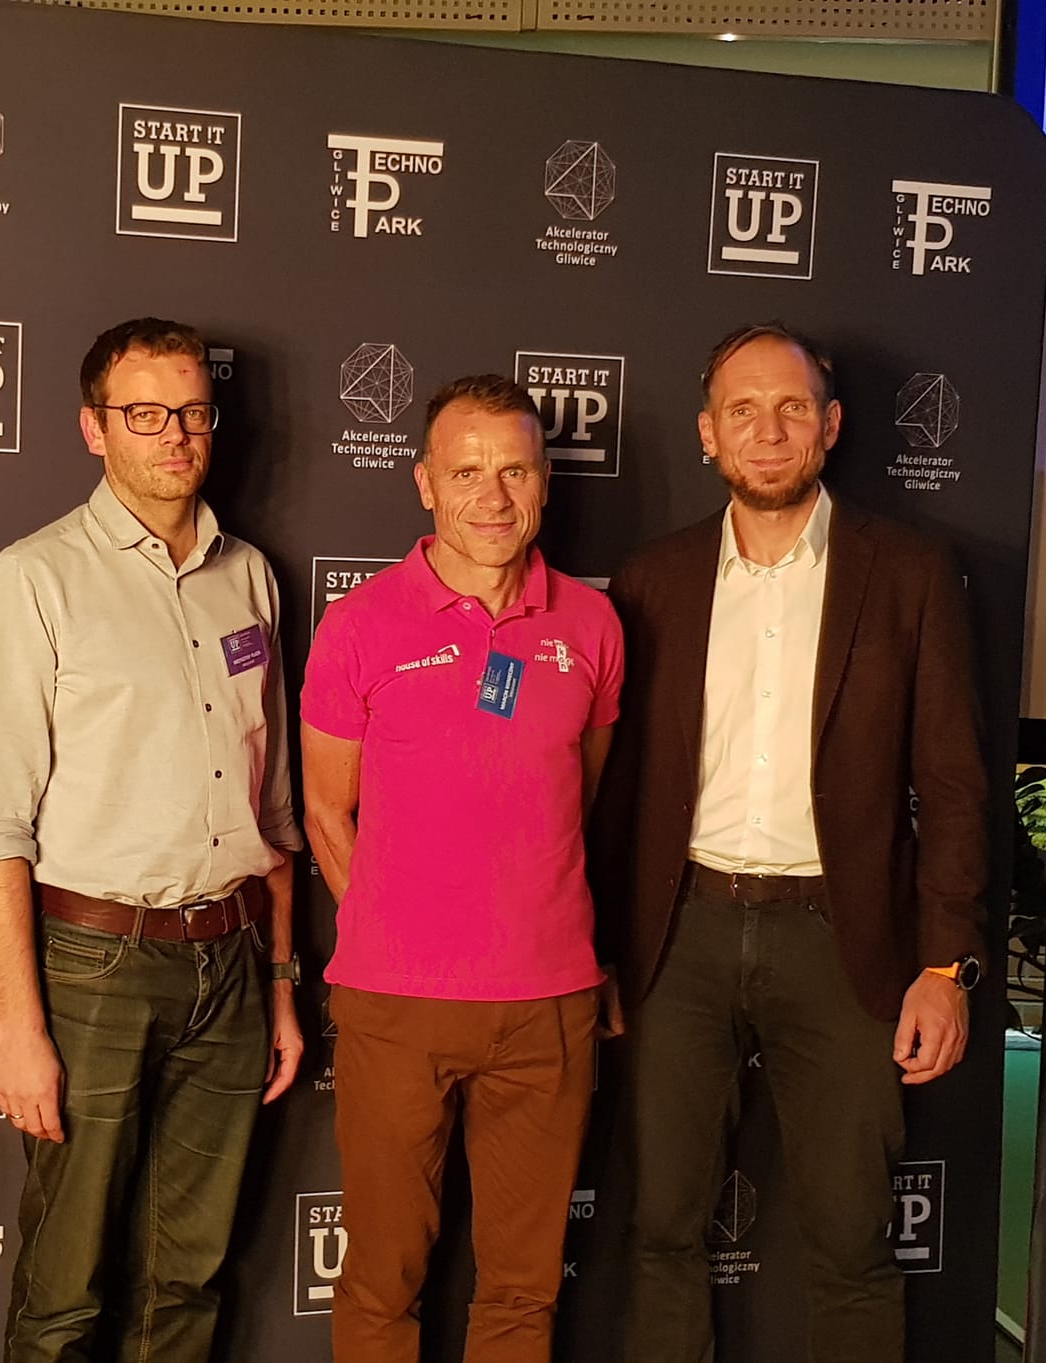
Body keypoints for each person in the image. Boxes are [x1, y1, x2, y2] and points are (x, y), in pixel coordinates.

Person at [596, 322, 988, 1363]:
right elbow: (617, 791)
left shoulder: (907, 572)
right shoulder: (652, 579)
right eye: (742, 410)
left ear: (830, 423)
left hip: (842, 939)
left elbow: (954, 783)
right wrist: (602, 953)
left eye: (790, 407)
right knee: (661, 1229)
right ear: (707, 433)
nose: (767, 431)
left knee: (853, 1240)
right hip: (677, 938)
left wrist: (945, 964)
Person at [0, 317, 304, 1363]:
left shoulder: (250, 576)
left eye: (192, 411)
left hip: (232, 960)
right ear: (93, 428)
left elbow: (274, 811)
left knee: (187, 1278)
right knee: (66, 1284)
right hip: (94, 964)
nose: (174, 434)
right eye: (144, 413)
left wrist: (280, 982)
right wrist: (19, 1026)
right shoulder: (36, 577)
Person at [300, 374, 623, 1362]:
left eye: (514, 470)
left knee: (524, 1287)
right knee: (382, 1276)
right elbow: (325, 809)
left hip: (549, 1005)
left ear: (544, 482)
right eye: (467, 471)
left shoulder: (592, 626)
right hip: (394, 1004)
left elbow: (577, 796)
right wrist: (395, 918)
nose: (492, 494)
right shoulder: (359, 625)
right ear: (425, 483)